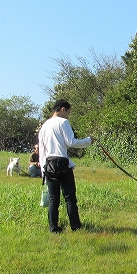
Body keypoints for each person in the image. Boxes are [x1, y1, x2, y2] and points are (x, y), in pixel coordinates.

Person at [38, 100, 93, 233]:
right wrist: (88, 141)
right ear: (63, 109)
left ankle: (53, 227)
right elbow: (70, 142)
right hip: (62, 164)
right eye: (68, 112)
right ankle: (75, 226)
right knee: (70, 198)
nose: (68, 115)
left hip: (48, 165)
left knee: (53, 199)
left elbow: (41, 149)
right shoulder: (63, 122)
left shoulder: (44, 126)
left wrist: (43, 171)